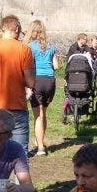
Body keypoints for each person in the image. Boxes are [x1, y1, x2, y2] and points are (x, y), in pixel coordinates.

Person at [0, 15, 36, 149]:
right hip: (17, 107)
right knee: (20, 154)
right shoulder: (25, 50)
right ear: (16, 29)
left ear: (2, 29)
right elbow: (31, 82)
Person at [25, 19, 57, 156]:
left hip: (37, 80)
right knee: (44, 113)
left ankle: (40, 149)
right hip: (50, 81)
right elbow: (56, 66)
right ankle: (41, 141)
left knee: (38, 115)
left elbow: (26, 65)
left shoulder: (29, 47)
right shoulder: (51, 46)